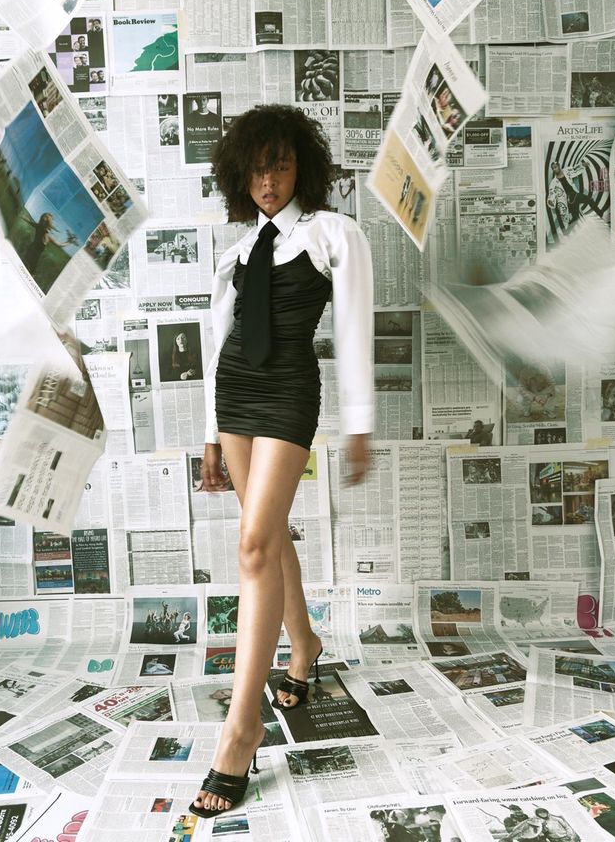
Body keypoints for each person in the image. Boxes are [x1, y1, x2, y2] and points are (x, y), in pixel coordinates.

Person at [190, 105, 372, 818]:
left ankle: (241, 731)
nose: (269, 181)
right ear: (242, 175)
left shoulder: (333, 233)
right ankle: (305, 647)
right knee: (264, 540)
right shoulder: (234, 255)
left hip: (290, 393)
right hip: (236, 394)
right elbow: (216, 350)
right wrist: (209, 433)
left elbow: (357, 328)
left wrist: (359, 424)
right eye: (257, 168)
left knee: (254, 544)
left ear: (304, 167)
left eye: (282, 164)